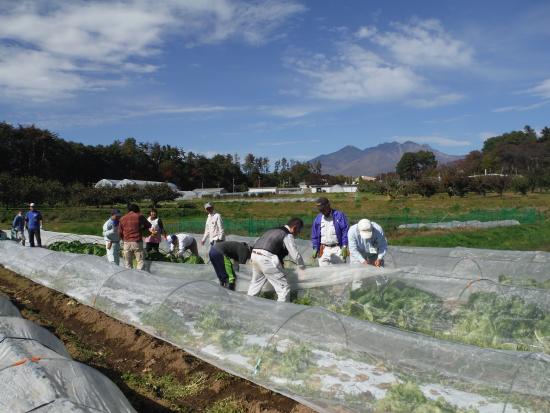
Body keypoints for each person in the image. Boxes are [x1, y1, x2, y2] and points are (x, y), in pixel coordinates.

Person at [247, 218, 306, 302]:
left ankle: (248, 306)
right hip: (266, 259)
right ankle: (282, 312)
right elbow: (295, 255)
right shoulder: (286, 234)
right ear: (295, 228)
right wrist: (302, 267)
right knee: (283, 288)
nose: (298, 234)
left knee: (255, 284)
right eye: (299, 231)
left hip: (254, 255)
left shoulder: (271, 230)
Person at [311, 197, 349, 266]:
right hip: (323, 249)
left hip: (337, 249)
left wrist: (344, 246)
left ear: (328, 206)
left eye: (323, 209)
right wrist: (315, 247)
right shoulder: (318, 218)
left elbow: (345, 231)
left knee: (340, 272)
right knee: (324, 273)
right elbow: (314, 235)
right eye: (321, 210)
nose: (322, 212)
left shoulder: (339, 215)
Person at [119, 204, 151, 270]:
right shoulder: (139, 216)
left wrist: (123, 239)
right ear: (137, 210)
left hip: (126, 243)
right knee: (140, 262)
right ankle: (139, 277)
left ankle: (129, 278)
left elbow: (119, 232)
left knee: (128, 263)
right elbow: (149, 225)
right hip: (137, 242)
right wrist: (141, 229)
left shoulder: (122, 218)